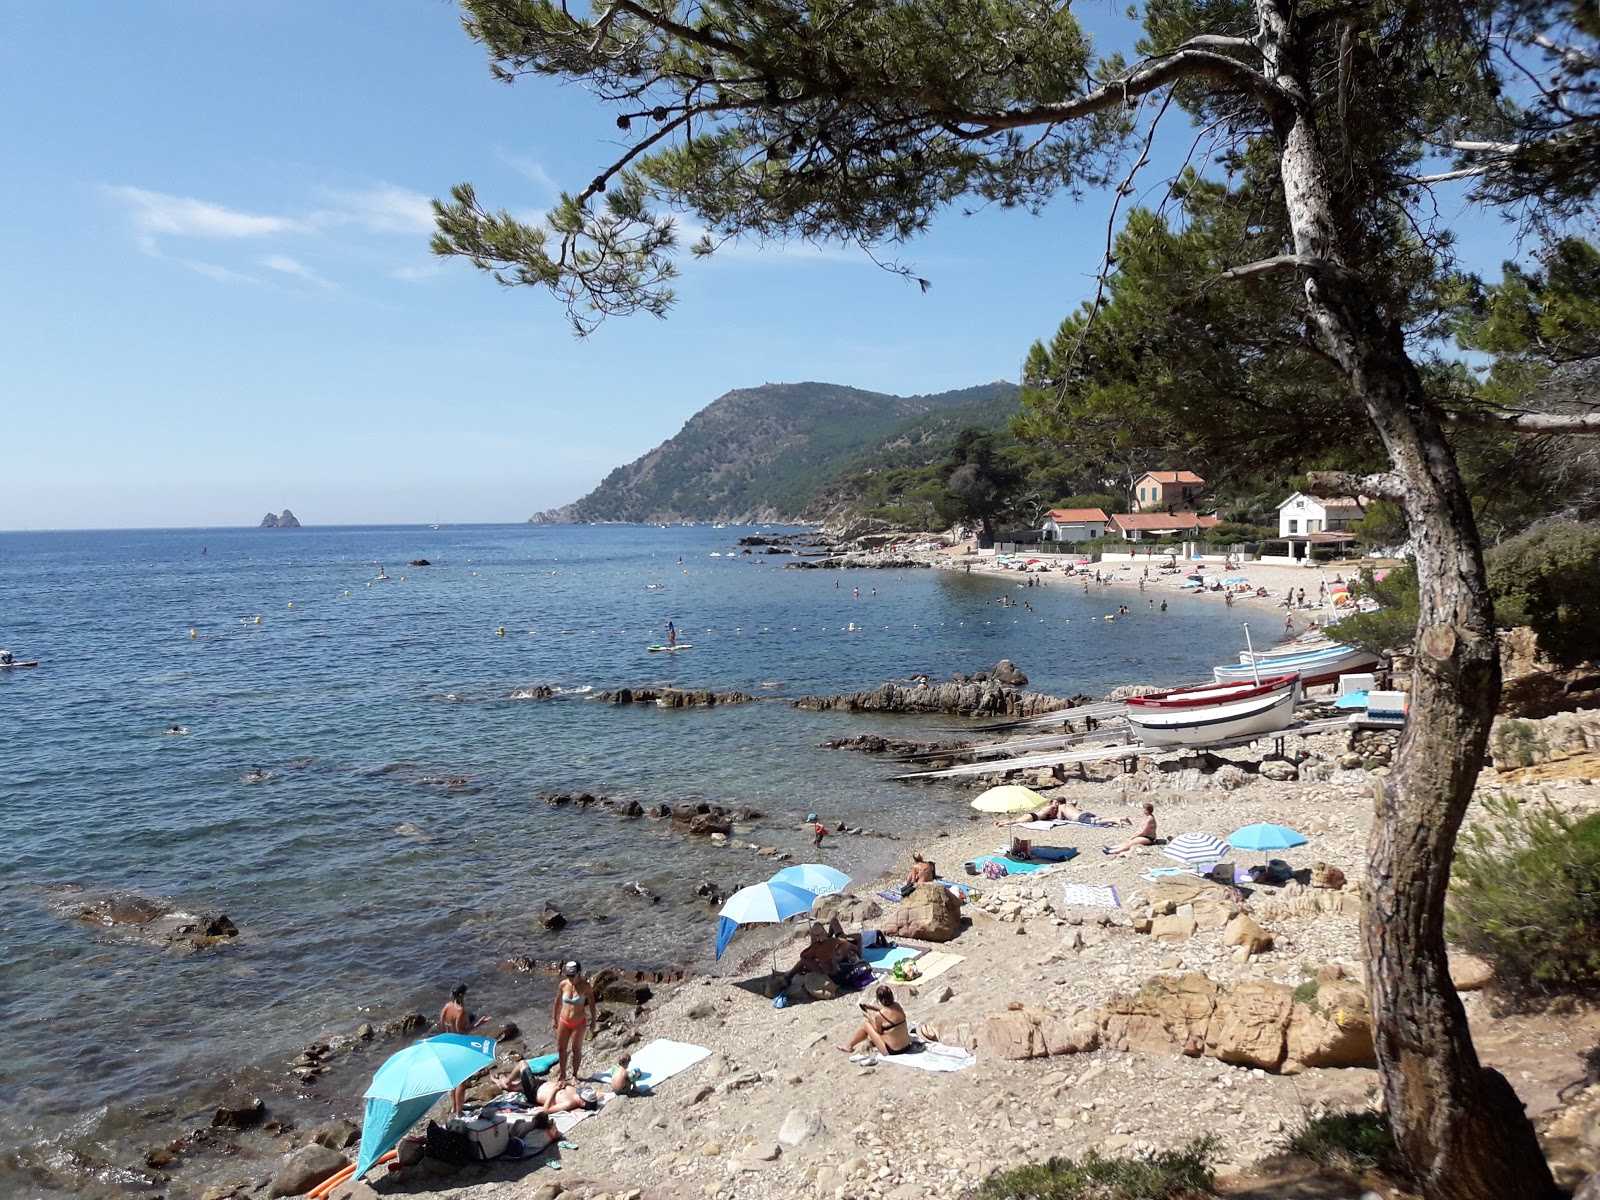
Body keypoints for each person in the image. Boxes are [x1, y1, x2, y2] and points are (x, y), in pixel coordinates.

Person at [441, 984, 490, 1114]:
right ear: (462, 995)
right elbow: (461, 1032)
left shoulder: (447, 1006)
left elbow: (442, 1025)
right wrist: (478, 1024)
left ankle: (455, 1107)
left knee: (453, 1080)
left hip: (447, 1045)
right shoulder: (460, 1011)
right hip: (459, 1048)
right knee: (461, 1082)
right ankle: (459, 1113)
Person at [552, 961, 595, 1086]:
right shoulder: (563, 984)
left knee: (576, 1049)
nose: (570, 978)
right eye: (568, 975)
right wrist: (554, 1018)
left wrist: (593, 1021)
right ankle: (562, 1074)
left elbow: (592, 1004)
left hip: (579, 1022)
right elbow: (557, 1002)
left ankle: (575, 1075)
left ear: (579, 973)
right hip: (564, 1021)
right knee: (561, 1049)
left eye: (572, 975)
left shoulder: (585, 986)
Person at [838, 986, 913, 1056]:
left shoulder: (879, 1015)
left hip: (892, 1050)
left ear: (879, 999)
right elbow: (889, 1014)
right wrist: (872, 1008)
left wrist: (869, 1017)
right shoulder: (897, 1006)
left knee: (866, 1025)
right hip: (907, 1046)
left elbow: (879, 1031)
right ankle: (850, 1045)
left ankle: (849, 1046)